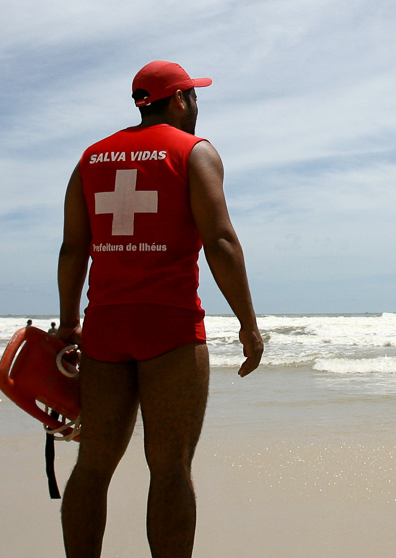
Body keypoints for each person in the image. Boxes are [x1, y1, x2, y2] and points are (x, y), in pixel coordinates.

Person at [56, 60, 263, 558]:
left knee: (93, 465)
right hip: (169, 325)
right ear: (178, 100)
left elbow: (72, 248)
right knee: (170, 466)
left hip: (106, 326)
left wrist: (69, 324)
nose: (196, 105)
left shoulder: (91, 158)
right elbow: (220, 241)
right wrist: (249, 326)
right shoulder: (195, 152)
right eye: (193, 95)